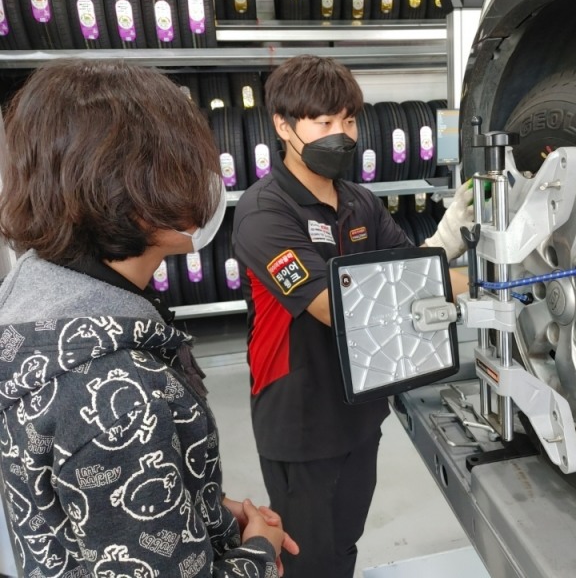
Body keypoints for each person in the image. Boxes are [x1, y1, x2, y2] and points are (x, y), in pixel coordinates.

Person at [0, 59, 298, 577]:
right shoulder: (117, 393)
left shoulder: (37, 308)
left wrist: (200, 510)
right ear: (131, 192)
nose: (202, 184)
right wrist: (259, 551)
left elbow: (89, 512)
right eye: (182, 167)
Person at [232, 54, 471, 577]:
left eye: (348, 120)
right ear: (283, 126)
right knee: (306, 558)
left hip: (361, 407)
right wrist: (470, 285)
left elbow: (409, 271)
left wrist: (458, 247)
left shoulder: (360, 202)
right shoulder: (264, 213)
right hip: (300, 417)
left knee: (344, 544)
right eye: (323, 122)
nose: (340, 135)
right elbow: (335, 307)